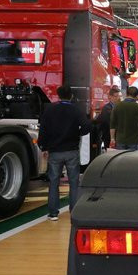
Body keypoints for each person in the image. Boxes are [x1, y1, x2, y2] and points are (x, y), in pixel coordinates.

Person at [38, 85, 92, 221]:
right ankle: (74, 211)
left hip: (55, 151)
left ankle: (53, 213)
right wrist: (78, 133)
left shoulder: (50, 110)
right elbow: (87, 126)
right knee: (74, 182)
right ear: (71, 96)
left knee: (53, 181)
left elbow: (43, 129)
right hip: (71, 150)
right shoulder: (76, 110)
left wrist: (43, 147)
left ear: (58, 95)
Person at [110, 86, 138, 150]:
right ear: (136, 96)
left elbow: (112, 124)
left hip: (120, 140)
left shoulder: (117, 106)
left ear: (126, 94)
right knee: (132, 157)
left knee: (120, 156)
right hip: (133, 140)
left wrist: (112, 138)